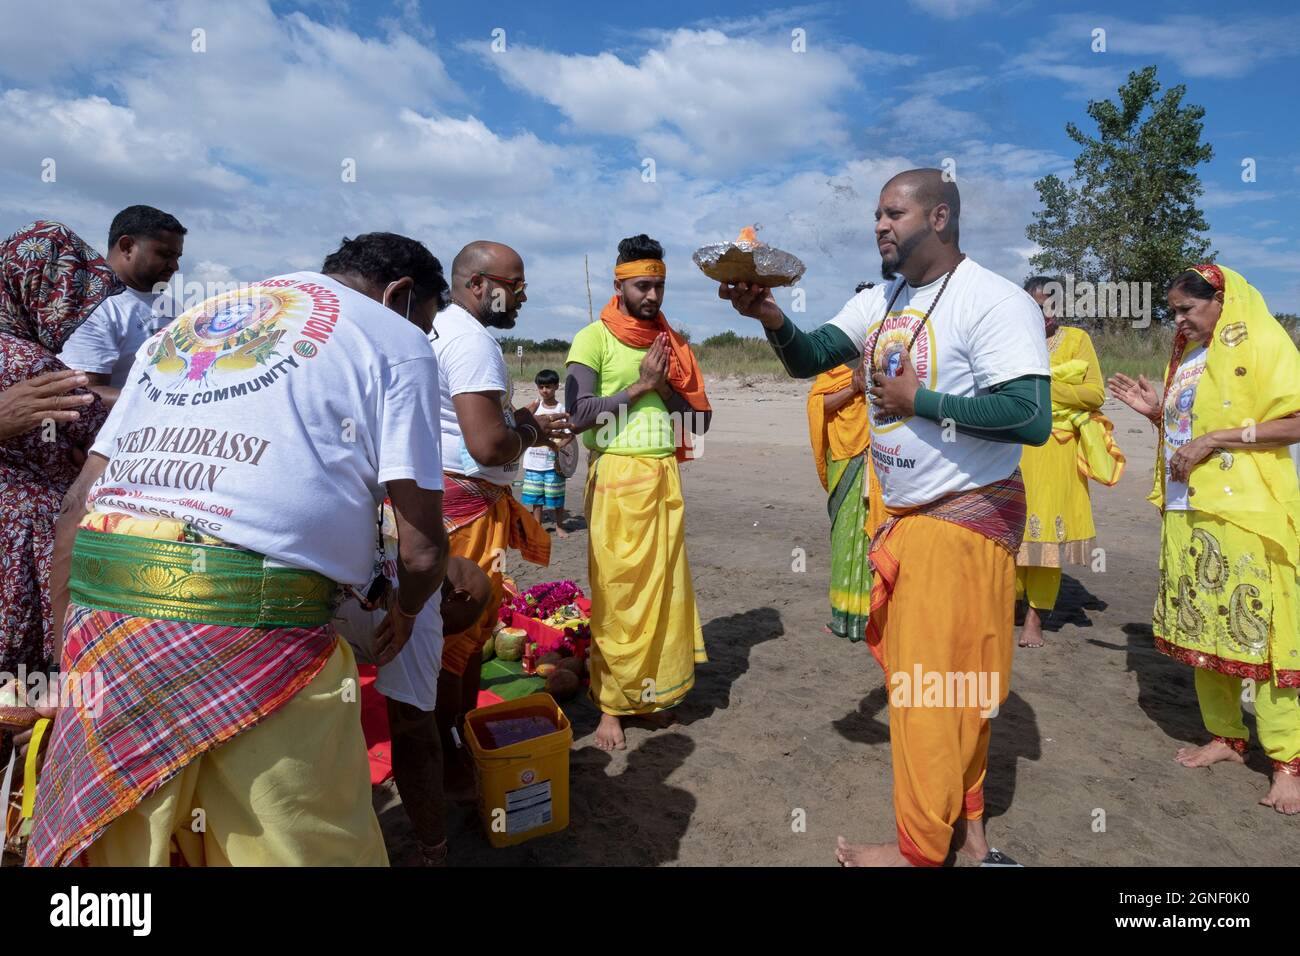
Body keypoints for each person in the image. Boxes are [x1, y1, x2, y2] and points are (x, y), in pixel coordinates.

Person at [27, 232, 451, 866]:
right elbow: (420, 551)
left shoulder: (196, 322)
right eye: (428, 321)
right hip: (259, 628)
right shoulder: (396, 337)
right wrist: (407, 613)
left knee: (126, 846)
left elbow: (79, 503)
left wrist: (73, 662)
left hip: (106, 614)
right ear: (400, 295)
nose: (428, 335)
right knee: (293, 840)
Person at [720, 169, 1051, 866]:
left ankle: (918, 853)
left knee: (931, 695)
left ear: (937, 216)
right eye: (875, 213)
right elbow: (810, 358)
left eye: (892, 212)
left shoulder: (994, 300)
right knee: (951, 689)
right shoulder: (881, 298)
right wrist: (770, 318)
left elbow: (1030, 415)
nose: (878, 224)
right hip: (906, 521)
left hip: (958, 525)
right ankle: (969, 832)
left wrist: (920, 401)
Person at [1109, 264, 1300, 814]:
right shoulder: (1189, 357)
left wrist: (1217, 438)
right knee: (1206, 625)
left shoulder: (1262, 339)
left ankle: (1287, 761)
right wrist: (1156, 416)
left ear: (1219, 301)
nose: (1178, 320)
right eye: (1173, 311)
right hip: (1188, 510)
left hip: (1247, 515)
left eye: (1187, 309)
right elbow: (1189, 435)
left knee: (1261, 632)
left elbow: (1293, 419)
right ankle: (1226, 736)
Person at [566, 234, 712, 752]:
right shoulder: (593, 339)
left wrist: (666, 382)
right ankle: (611, 706)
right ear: (619, 285)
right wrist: (641, 386)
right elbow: (579, 415)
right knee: (619, 595)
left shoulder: (671, 342)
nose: (652, 297)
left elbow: (698, 421)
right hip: (616, 483)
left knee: (665, 598)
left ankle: (651, 696)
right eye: (642, 286)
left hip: (663, 478)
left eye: (659, 286)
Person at [429, 240, 562, 792]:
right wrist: (530, 429)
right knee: (455, 636)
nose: (524, 297)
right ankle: (450, 753)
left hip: (448, 501)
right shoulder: (471, 341)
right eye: (516, 286)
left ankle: (455, 739)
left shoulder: (442, 331)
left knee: (454, 637)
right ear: (479, 285)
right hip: (465, 510)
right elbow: (487, 446)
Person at [0, 222, 122, 692]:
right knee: (20, 698)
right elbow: (94, 422)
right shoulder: (29, 364)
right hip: (23, 546)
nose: (73, 317)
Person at [334, 535, 490, 866]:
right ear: (457, 597)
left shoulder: (401, 546)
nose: (444, 637)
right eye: (451, 628)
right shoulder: (421, 613)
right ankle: (432, 852)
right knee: (416, 732)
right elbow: (415, 738)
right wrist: (434, 850)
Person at [1015, 276, 1125, 647]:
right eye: (1036, 305)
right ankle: (1005, 603)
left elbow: (1094, 393)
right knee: (1009, 531)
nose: (1044, 313)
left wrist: (1043, 387)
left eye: (1051, 305)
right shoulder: (1010, 336)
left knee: (1045, 534)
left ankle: (1035, 618)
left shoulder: (1078, 340)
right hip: (1013, 446)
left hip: (1057, 448)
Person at [59, 205, 186, 407]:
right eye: (165, 255)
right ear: (127, 246)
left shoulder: (172, 307)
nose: (174, 266)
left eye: (177, 257)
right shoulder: (93, 308)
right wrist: (167, 405)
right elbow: (84, 394)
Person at [807, 363, 882, 641]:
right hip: (844, 455)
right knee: (843, 536)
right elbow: (817, 404)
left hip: (878, 457)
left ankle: (871, 614)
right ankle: (843, 614)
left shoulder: (880, 357)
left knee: (873, 534)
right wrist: (853, 386)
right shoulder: (832, 366)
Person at [522, 368, 573, 537]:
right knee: (536, 499)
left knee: (556, 497)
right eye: (541, 387)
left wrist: (558, 448)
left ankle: (559, 526)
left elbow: (570, 436)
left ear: (557, 386)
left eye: (549, 387)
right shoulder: (533, 409)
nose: (545, 390)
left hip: (553, 464)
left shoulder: (562, 409)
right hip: (533, 463)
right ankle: (537, 527)